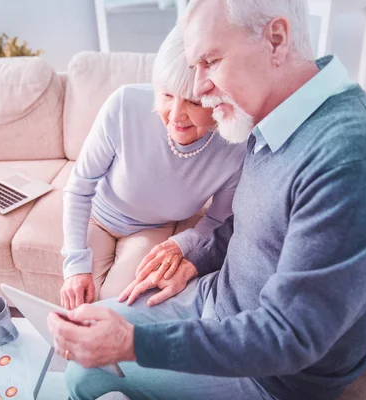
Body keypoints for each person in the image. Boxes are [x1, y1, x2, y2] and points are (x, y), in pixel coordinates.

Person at [48, 0, 366, 399]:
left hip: (270, 376)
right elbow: (250, 222)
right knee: (83, 354)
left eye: (210, 61)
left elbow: (291, 337)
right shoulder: (273, 125)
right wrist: (194, 259)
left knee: (86, 373)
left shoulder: (358, 163)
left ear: (276, 40)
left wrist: (133, 345)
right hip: (215, 303)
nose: (197, 89)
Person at [59, 26, 246, 310]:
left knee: (117, 307)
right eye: (167, 95)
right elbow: (80, 186)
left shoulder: (234, 145)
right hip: (96, 217)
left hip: (151, 231)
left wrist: (182, 243)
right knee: (77, 305)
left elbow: (218, 222)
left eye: (194, 102)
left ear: (218, 99)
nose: (175, 115)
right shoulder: (124, 104)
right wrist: (74, 266)